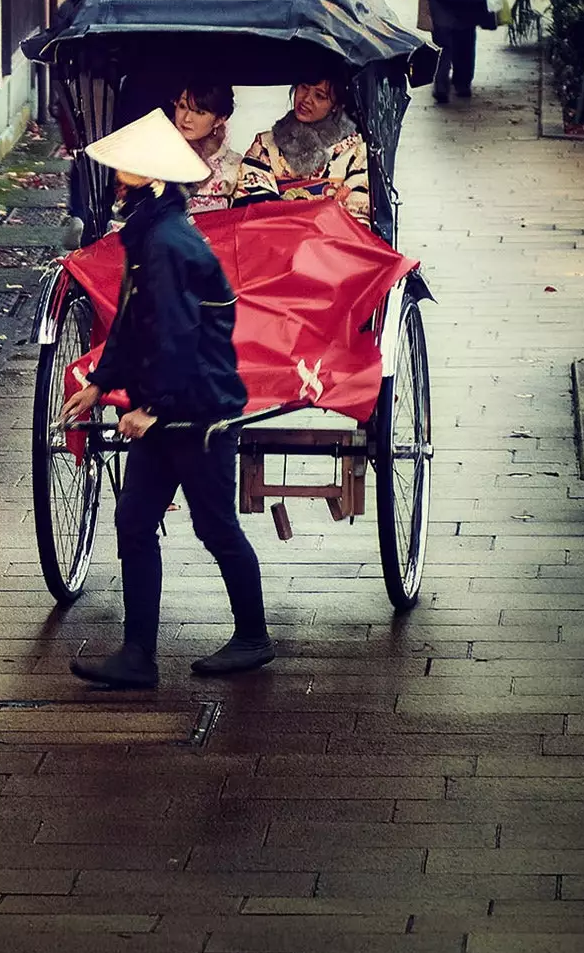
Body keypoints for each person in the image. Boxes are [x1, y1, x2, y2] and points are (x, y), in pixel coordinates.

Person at [60, 108, 272, 690]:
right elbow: (133, 322)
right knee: (133, 519)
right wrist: (102, 383)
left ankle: (253, 635)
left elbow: (177, 333)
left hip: (198, 410)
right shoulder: (151, 234)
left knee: (215, 526)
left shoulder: (166, 242)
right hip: (170, 409)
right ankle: (137, 654)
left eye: (127, 169)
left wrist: (152, 408)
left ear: (149, 180)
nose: (118, 177)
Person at [22, 0, 122, 244]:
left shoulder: (71, 4)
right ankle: (102, 216)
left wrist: (57, 95)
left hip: (73, 94)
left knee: (82, 157)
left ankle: (79, 212)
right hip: (108, 92)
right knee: (108, 155)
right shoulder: (118, 4)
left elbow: (53, 44)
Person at [235, 72, 370, 222]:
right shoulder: (265, 144)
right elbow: (253, 204)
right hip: (275, 236)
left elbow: (357, 216)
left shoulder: (355, 150)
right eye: (304, 88)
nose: (306, 99)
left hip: (331, 239)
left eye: (319, 96)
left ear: (336, 105)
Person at [173, 83, 241, 213]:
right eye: (182, 107)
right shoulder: (153, 150)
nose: (186, 118)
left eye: (199, 112)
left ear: (219, 120)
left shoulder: (235, 167)